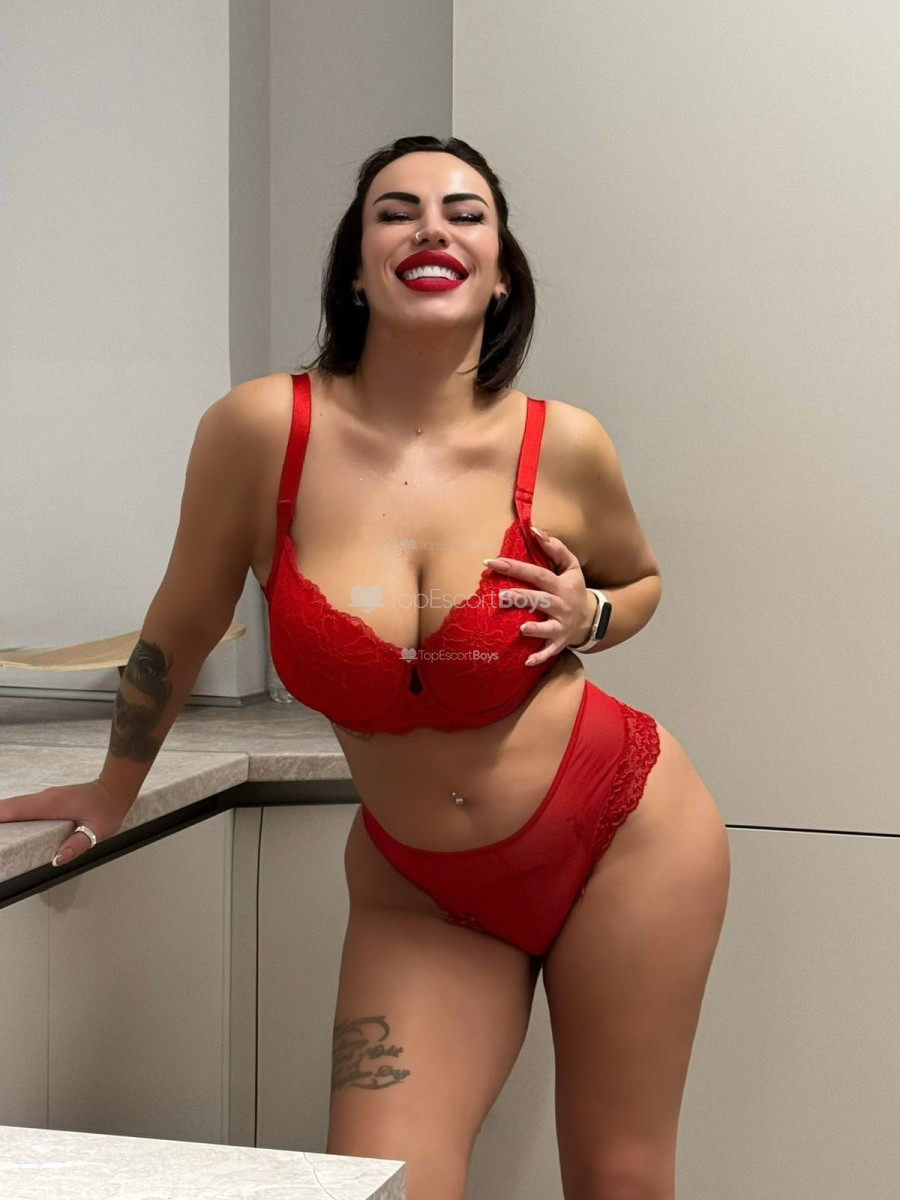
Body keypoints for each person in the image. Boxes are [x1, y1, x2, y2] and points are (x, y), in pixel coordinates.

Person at [0, 135, 731, 1200]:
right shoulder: (263, 430)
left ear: (501, 273)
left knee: (618, 1177)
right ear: (355, 265)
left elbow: (642, 580)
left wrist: (594, 612)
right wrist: (114, 789)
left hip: (625, 835)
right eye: (397, 210)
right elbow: (183, 623)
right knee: (383, 1184)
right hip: (420, 890)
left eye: (465, 213)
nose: (432, 228)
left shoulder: (564, 442)